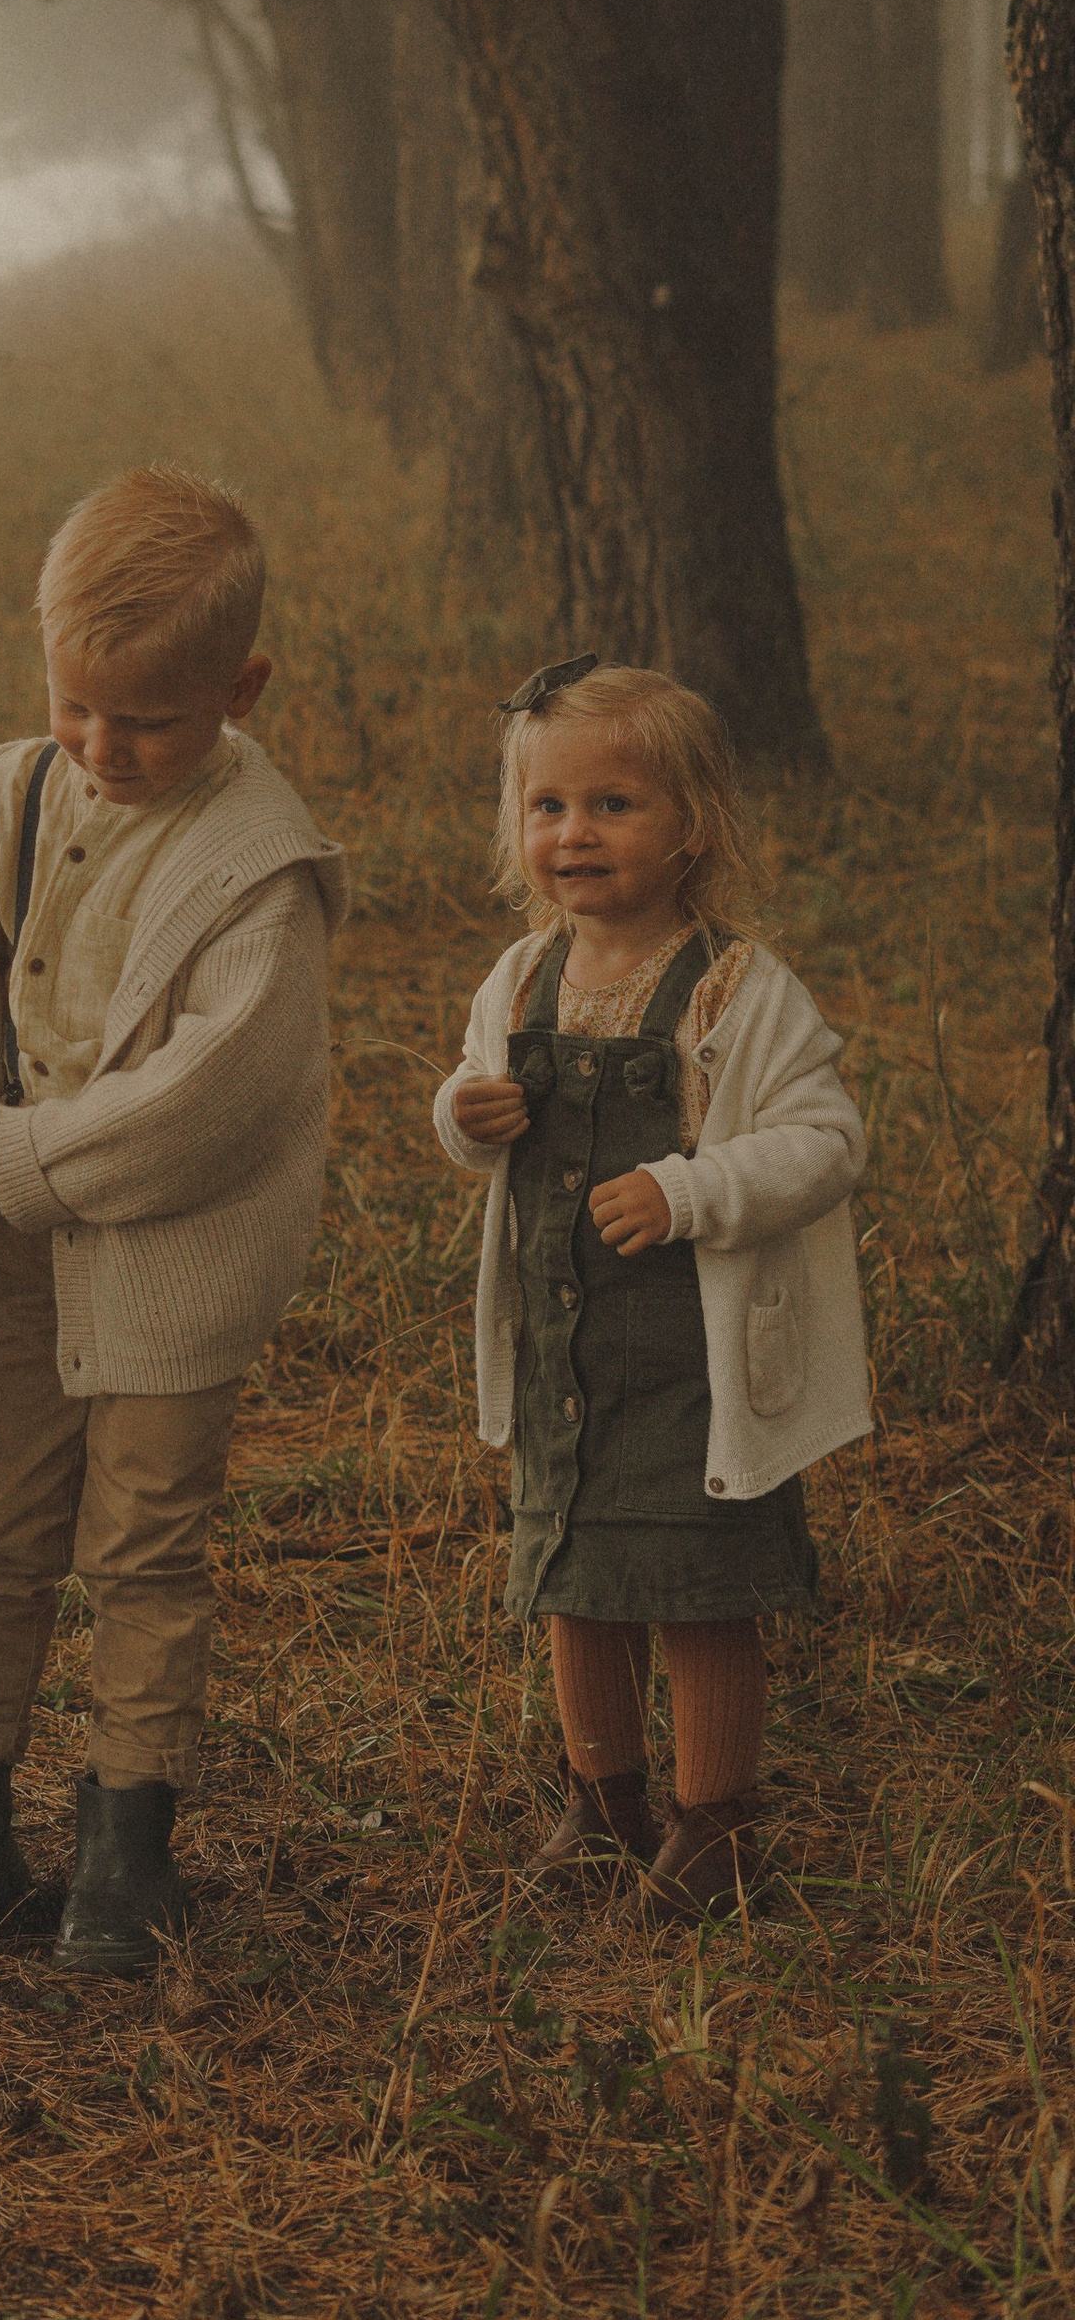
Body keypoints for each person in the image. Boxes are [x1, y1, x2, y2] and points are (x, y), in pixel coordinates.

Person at [0, 465, 347, 1980]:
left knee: (142, 1543)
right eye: (77, 705)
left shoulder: (257, 872)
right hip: (10, 1258)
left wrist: (10, 1150)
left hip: (164, 1277)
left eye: (148, 718)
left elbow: (212, 1099)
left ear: (241, 686)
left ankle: (125, 1855)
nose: (102, 746)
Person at [433, 656, 868, 1921]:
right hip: (564, 1339)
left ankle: (716, 1820)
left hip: (691, 1348)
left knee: (693, 1579)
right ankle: (603, 1795)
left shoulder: (739, 991)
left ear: (693, 826)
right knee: (573, 1567)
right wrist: (468, 1113)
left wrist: (691, 1189)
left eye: (613, 804)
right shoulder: (517, 980)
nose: (575, 833)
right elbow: (470, 1109)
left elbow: (826, 1141)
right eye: (548, 806)